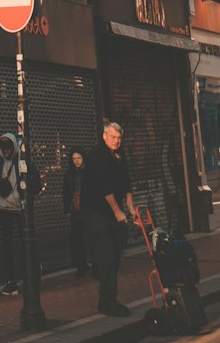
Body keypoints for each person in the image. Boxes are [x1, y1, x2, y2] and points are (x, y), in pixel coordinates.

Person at [80, 121, 139, 317]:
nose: (116, 141)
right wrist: (118, 213)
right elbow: (105, 188)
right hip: (95, 211)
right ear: (105, 136)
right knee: (108, 255)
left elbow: (126, 183)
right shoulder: (98, 155)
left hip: (109, 213)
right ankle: (106, 302)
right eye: (113, 137)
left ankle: (109, 298)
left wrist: (131, 209)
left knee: (115, 254)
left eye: (119, 138)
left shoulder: (119, 156)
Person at [0, 132, 41, 296]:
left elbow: (36, 184)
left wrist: (27, 191)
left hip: (21, 209)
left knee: (27, 242)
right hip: (5, 209)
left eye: (9, 147)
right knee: (7, 245)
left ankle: (32, 276)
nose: (6, 151)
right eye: (3, 148)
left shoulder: (23, 161)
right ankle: (10, 280)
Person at [62, 147, 89, 276]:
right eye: (74, 159)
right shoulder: (69, 174)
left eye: (78, 158)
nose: (76, 161)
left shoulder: (89, 172)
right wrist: (67, 207)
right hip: (76, 209)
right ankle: (81, 265)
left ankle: (93, 264)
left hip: (89, 208)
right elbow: (66, 192)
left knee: (90, 238)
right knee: (77, 239)